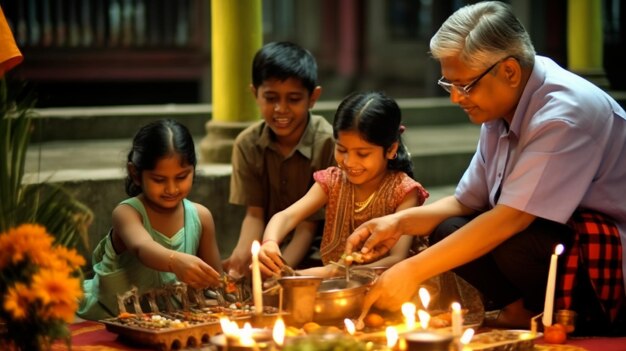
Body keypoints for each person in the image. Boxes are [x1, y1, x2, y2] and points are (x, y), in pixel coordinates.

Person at [345, 1, 626, 336]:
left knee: (511, 243)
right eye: (450, 85)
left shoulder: (565, 113)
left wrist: (409, 271)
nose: (455, 98)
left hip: (607, 253)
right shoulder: (503, 102)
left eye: (464, 86)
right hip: (551, 234)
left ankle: (577, 318)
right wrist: (398, 223)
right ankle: (520, 312)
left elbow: (511, 218)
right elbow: (467, 201)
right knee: (446, 228)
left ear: (509, 71)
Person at [258, 91, 429, 278]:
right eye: (341, 149)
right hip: (339, 287)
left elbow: (396, 259)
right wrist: (270, 242)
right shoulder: (333, 181)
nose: (349, 162)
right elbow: (286, 217)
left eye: (362, 154)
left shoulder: (404, 191)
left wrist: (332, 272)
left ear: (391, 149)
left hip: (392, 285)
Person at [78, 119, 223, 320]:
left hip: (169, 321)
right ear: (136, 174)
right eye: (159, 180)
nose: (171, 189)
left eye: (181, 177)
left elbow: (217, 282)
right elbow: (143, 247)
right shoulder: (127, 213)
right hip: (113, 315)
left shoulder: (201, 217)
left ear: (193, 170)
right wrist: (175, 261)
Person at [223, 41, 335, 278]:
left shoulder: (327, 144)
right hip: (268, 247)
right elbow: (254, 214)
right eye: (270, 97)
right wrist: (242, 257)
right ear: (255, 94)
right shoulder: (247, 144)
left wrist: (277, 272)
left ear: (313, 97)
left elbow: (308, 226)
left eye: (293, 99)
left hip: (319, 255)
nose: (281, 109)